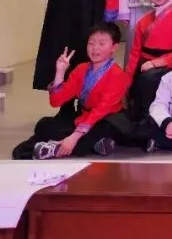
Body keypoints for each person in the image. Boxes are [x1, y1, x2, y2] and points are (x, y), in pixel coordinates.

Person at [13, 23, 129, 160]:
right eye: (91, 43)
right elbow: (56, 101)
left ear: (114, 47)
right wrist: (60, 72)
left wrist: (74, 137)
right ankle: (95, 145)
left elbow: (101, 110)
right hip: (83, 118)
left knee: (98, 131)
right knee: (44, 124)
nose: (95, 48)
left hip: (106, 120)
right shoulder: (81, 69)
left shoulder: (118, 75)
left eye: (101, 44)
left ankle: (57, 148)